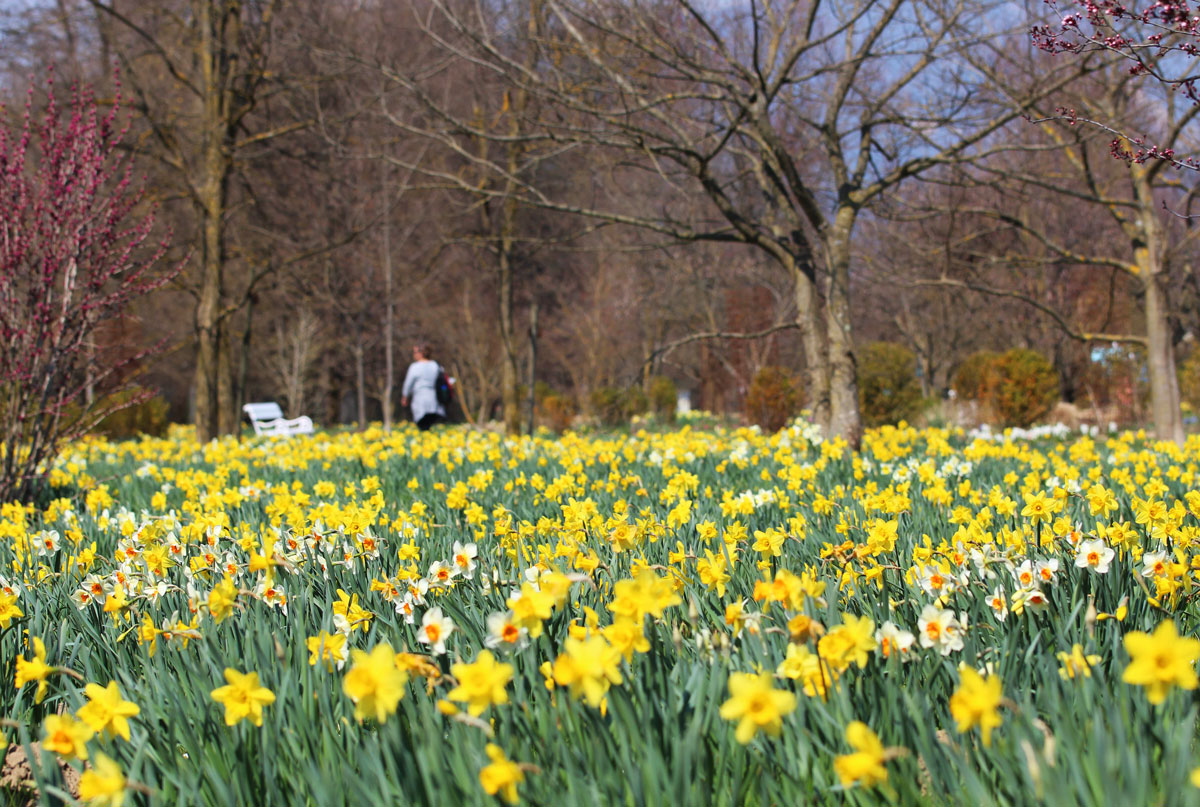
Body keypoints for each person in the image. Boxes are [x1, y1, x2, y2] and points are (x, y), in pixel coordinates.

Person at [401, 342, 446, 431]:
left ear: (421, 353)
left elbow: (408, 383)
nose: (414, 355)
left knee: (422, 424)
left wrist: (405, 396)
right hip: (434, 400)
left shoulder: (415, 367)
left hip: (419, 400)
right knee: (428, 424)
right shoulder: (436, 366)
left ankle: (425, 438)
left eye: (415, 352)